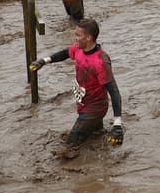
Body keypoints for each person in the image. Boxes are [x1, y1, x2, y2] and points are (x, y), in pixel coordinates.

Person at [31, 19, 125, 157]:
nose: (75, 38)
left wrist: (117, 124)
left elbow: (114, 92)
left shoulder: (100, 61)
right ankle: (102, 153)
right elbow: (65, 53)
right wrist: (44, 61)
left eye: (78, 35)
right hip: (83, 101)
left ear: (88, 38)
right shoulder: (78, 49)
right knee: (96, 136)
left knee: (68, 148)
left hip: (94, 109)